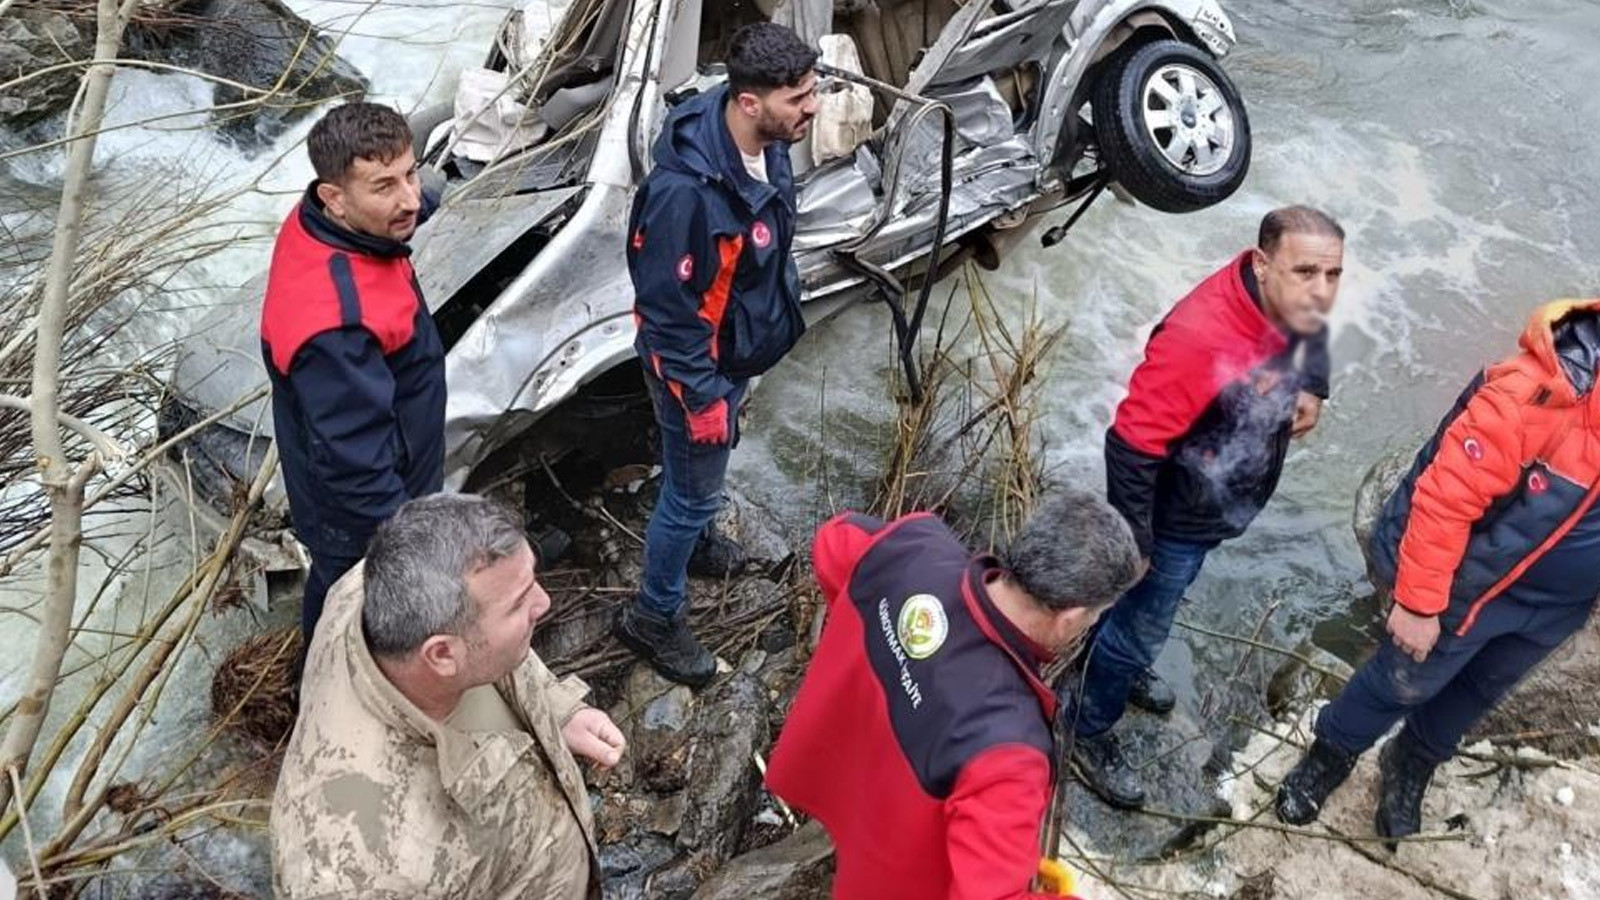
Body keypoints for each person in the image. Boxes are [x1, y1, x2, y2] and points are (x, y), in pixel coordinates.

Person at [1277, 298, 1600, 843]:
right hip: (1472, 586)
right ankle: (1329, 755)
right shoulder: (1535, 393)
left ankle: (1413, 760)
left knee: (1480, 689)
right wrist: (1421, 604)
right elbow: (1445, 502)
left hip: (1556, 609)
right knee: (1399, 680)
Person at [1070, 206, 1344, 808]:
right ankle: (1084, 727)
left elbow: (1312, 328)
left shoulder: (1291, 296)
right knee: (1143, 624)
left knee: (1138, 615)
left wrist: (1313, 385)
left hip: (1217, 497)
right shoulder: (1202, 337)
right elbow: (1132, 444)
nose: (1321, 291)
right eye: (1307, 272)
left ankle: (1107, 662)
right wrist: (1137, 545)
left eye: (1333, 275)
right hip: (1175, 514)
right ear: (1261, 263)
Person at [765, 493, 1142, 899]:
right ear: (1070, 617)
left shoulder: (916, 545)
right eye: (1093, 615)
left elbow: (832, 542)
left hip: (838, 773)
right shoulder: (1010, 748)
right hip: (889, 868)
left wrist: (886, 646)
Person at [271, 494, 625, 899]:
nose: (544, 603)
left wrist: (555, 711)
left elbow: (496, 653)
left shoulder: (376, 585)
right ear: (441, 654)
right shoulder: (359, 871)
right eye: (519, 604)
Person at [616, 23, 818, 687]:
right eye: (799, 98)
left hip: (735, 349)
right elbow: (666, 312)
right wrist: (703, 397)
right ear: (750, 102)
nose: (812, 108)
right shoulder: (685, 196)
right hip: (697, 370)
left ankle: (697, 545)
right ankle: (654, 615)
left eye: (812, 91)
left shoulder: (756, 135)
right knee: (691, 494)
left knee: (698, 479)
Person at [259, 102, 447, 657]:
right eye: (384, 186)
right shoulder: (334, 328)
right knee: (351, 598)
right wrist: (407, 542)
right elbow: (357, 467)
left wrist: (424, 191)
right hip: (354, 510)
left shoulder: (321, 223)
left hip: (364, 465)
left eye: (410, 174)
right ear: (334, 197)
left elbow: (409, 202)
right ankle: (320, 691)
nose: (409, 198)